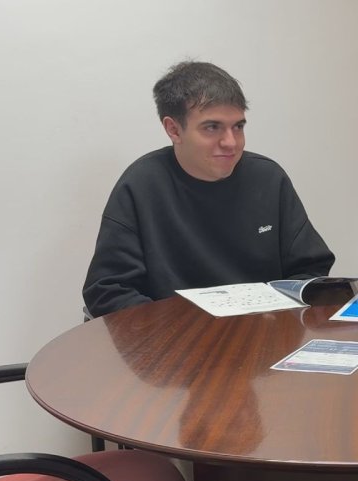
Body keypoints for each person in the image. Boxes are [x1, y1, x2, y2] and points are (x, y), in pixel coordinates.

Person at [82, 61, 335, 317]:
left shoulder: (268, 178)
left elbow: (310, 270)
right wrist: (181, 329)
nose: (231, 142)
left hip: (261, 336)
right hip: (174, 341)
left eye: (238, 126)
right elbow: (108, 290)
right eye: (212, 127)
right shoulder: (141, 185)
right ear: (173, 129)